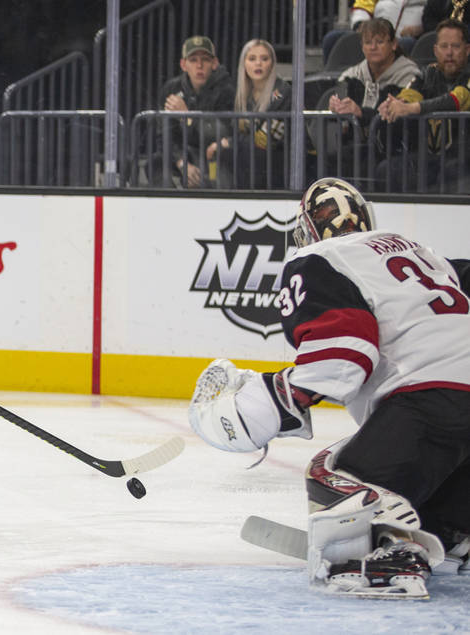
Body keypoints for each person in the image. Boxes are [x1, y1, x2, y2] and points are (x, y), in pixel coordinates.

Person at [189, 177, 470, 598]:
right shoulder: (428, 257)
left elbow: (342, 353)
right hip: (448, 404)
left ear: (305, 228)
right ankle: (454, 532)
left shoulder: (320, 257)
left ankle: (396, 552)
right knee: (425, 481)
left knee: (333, 473)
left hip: (431, 396)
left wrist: (274, 400)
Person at [376, 19, 470, 191]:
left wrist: (412, 108)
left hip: (464, 158)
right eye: (444, 46)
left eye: (455, 46)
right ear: (435, 50)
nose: (449, 53)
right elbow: (408, 96)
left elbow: (456, 99)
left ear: (467, 49)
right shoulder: (426, 74)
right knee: (388, 169)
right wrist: (394, 105)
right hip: (430, 158)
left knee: (452, 171)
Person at [324, 18, 422, 183]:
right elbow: (339, 103)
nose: (373, 47)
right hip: (360, 148)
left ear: (394, 44)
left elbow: (394, 118)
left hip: (397, 149)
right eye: (368, 42)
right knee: (332, 158)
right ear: (362, 47)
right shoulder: (351, 76)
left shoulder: (410, 75)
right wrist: (335, 106)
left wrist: (361, 112)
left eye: (379, 41)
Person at [144, 36, 234, 188]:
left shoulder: (226, 90)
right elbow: (165, 136)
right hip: (183, 155)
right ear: (183, 64)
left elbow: (217, 134)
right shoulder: (171, 89)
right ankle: (169, 204)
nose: (199, 65)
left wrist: (187, 116)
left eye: (205, 59)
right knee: (155, 163)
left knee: (218, 170)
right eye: (193, 60)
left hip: (212, 156)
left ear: (214, 63)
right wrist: (182, 163)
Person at [206, 39, 291, 189]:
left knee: (237, 153)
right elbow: (238, 132)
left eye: (264, 59)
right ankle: (221, 198)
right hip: (253, 161)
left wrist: (230, 142)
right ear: (243, 64)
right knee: (221, 153)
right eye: (252, 59)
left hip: (282, 160)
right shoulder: (243, 96)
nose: (258, 63)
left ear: (272, 63)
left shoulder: (282, 92)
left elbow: (264, 140)